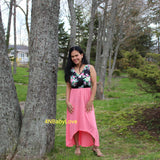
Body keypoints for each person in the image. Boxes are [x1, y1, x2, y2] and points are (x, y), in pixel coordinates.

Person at [64, 46, 104, 157]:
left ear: (82, 55)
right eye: (72, 56)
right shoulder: (70, 70)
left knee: (91, 123)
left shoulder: (89, 68)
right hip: (74, 100)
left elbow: (94, 84)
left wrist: (91, 99)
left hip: (86, 99)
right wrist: (67, 101)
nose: (74, 58)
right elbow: (68, 87)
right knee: (75, 124)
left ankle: (96, 147)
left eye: (76, 55)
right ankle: (77, 147)